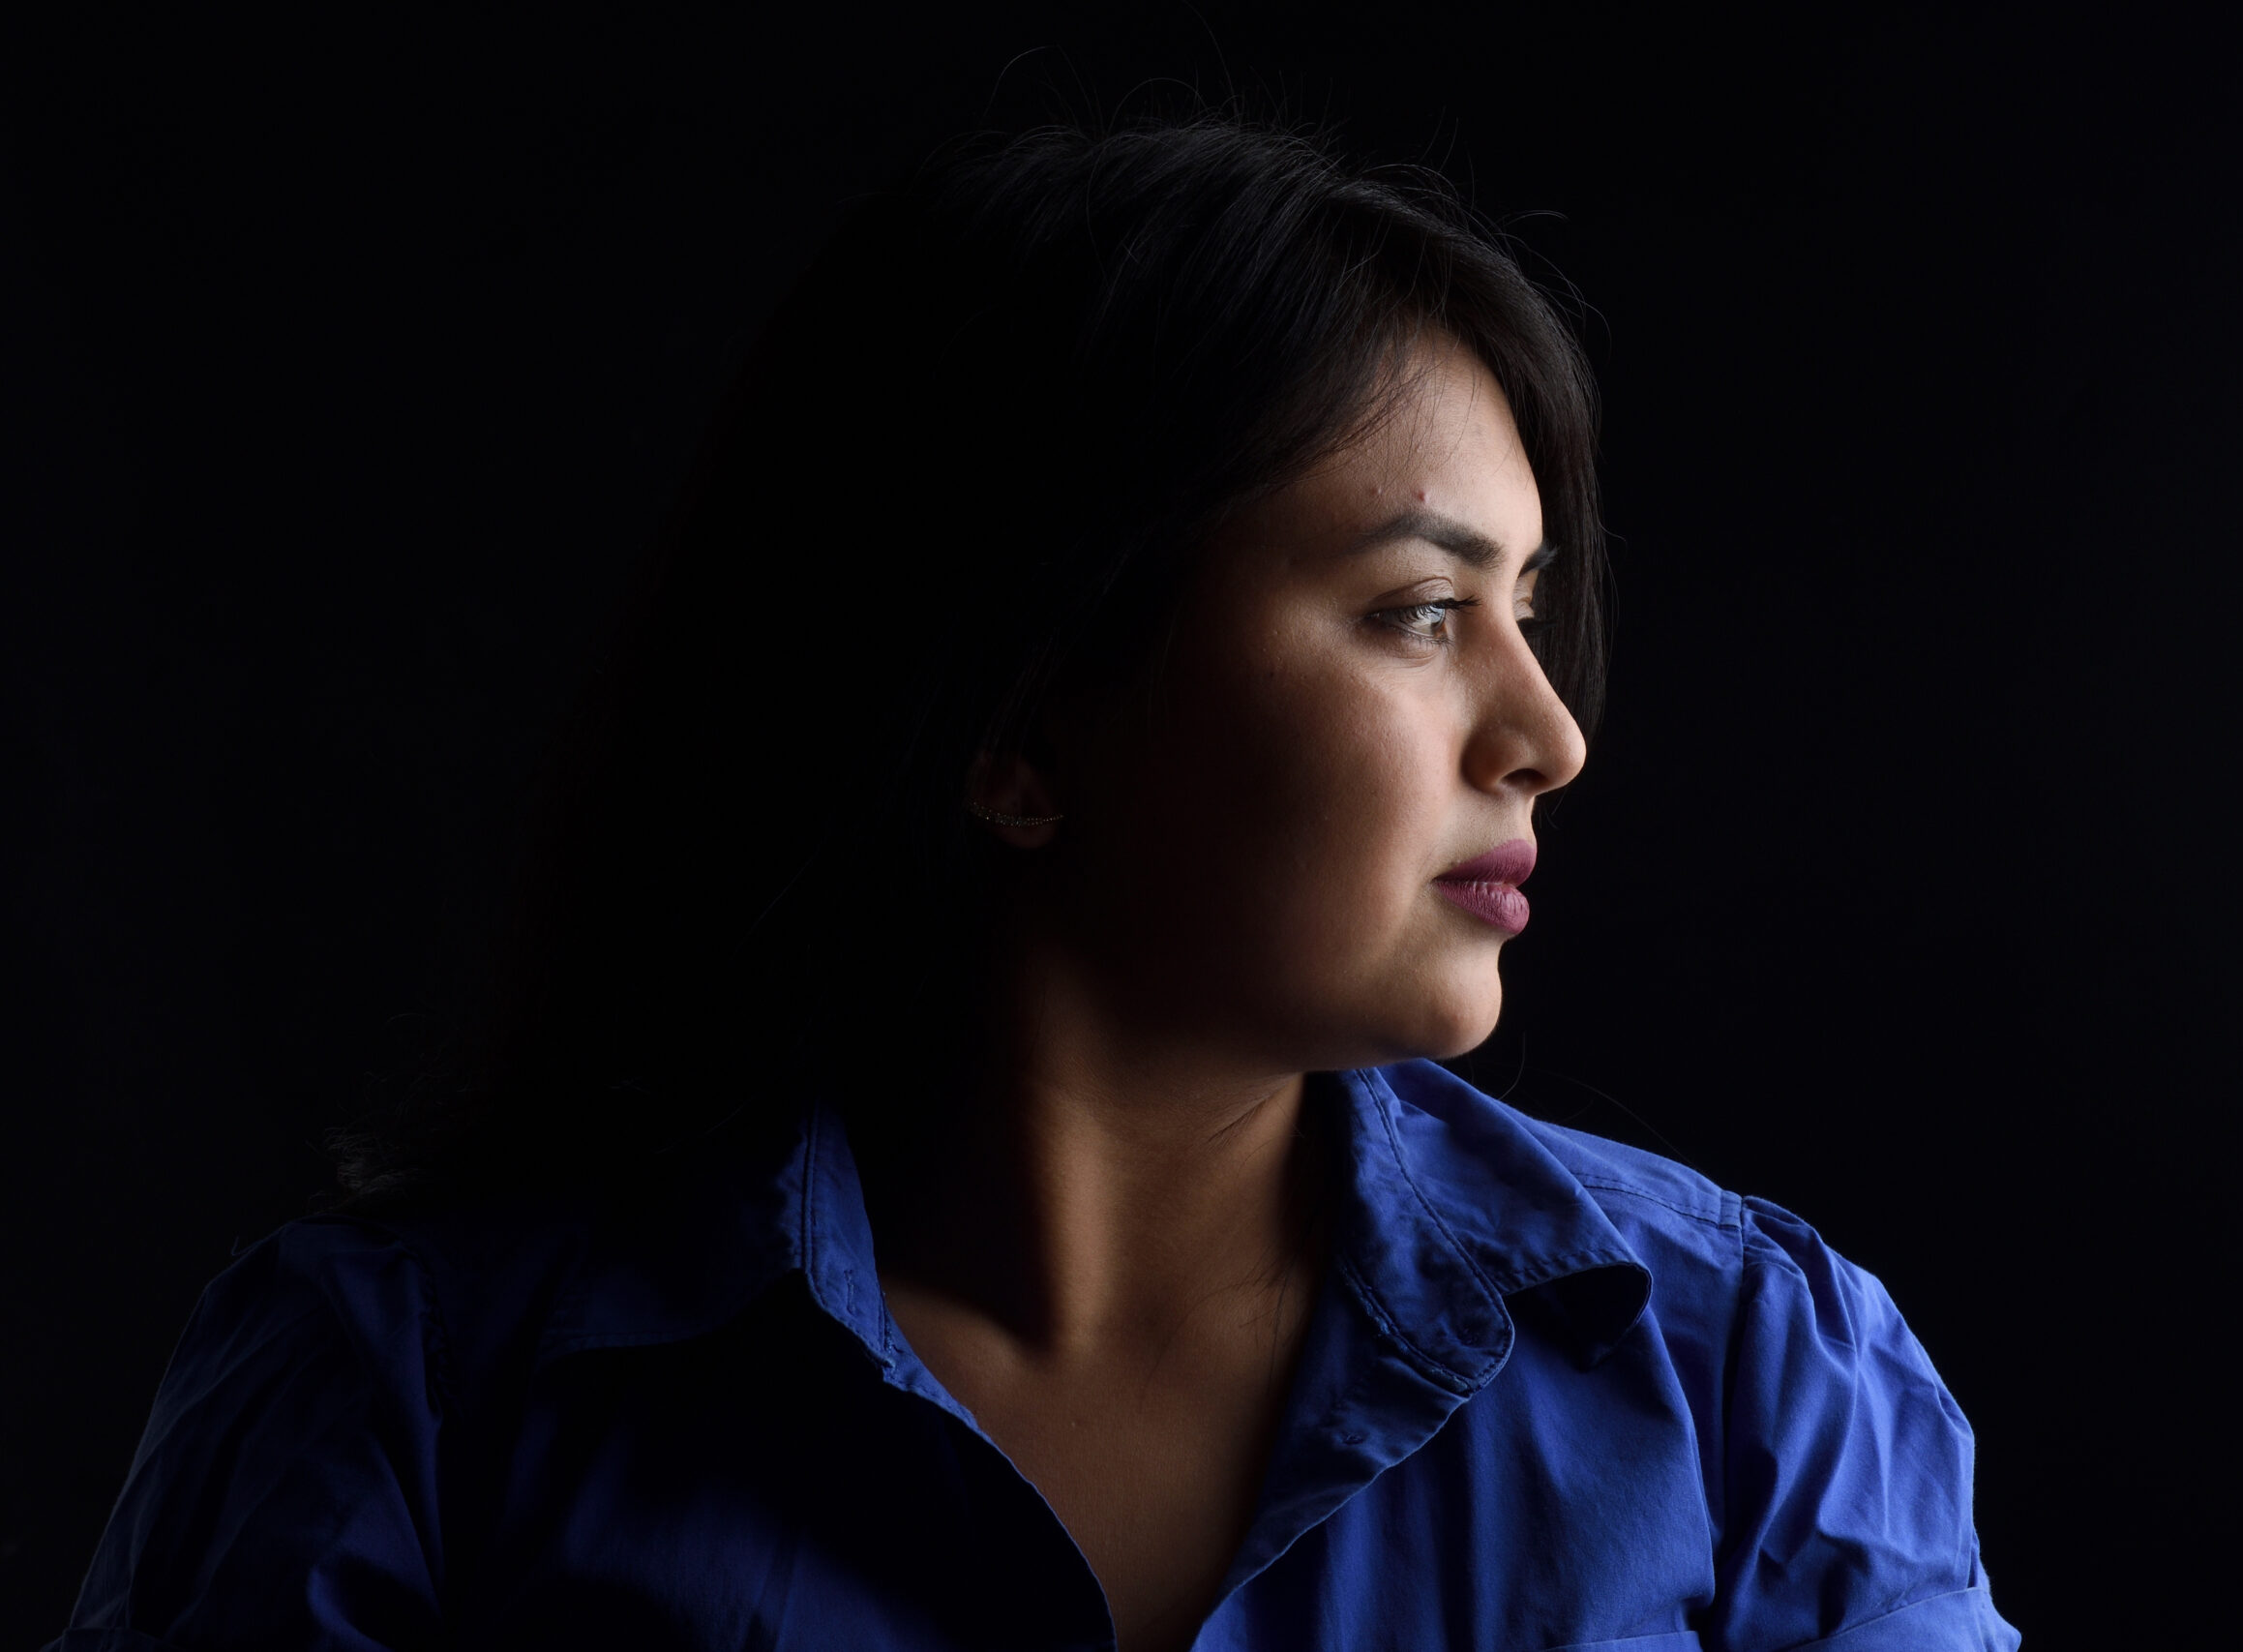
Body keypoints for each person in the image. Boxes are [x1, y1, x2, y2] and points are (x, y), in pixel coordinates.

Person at [50, 116, 2020, 1652]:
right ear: (1014, 714)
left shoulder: (1745, 1372)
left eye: (1529, 611)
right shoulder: (401, 1397)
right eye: (1418, 613)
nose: (1543, 733)